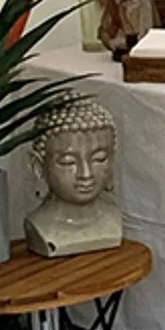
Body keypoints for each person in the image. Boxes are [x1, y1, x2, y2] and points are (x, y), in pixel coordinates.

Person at [24, 97, 123, 257]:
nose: (86, 174)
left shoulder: (112, 220)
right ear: (39, 167)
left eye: (99, 159)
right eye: (68, 162)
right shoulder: (41, 227)